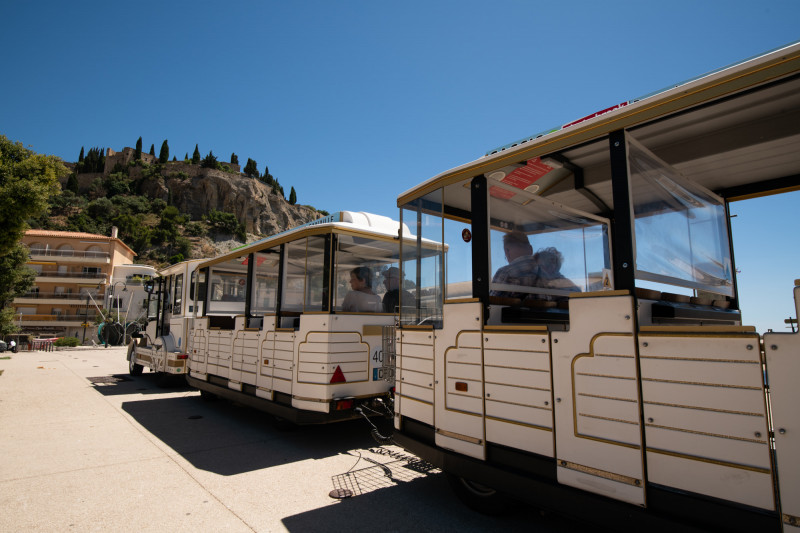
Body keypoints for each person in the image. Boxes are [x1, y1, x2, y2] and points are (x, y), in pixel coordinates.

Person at [490, 231, 540, 299]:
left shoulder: (505, 272)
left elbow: (491, 301)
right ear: (531, 249)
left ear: (507, 251)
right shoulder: (546, 272)